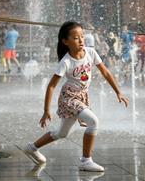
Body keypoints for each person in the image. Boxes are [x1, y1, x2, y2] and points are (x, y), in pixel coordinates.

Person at [23, 21, 129, 172]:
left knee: (62, 133)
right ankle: (86, 160)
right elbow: (52, 85)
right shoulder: (66, 61)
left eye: (82, 36)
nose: (81, 40)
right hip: (69, 98)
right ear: (65, 41)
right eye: (76, 38)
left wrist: (118, 91)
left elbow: (105, 72)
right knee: (93, 121)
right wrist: (46, 110)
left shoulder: (91, 53)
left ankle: (32, 148)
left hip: (82, 96)